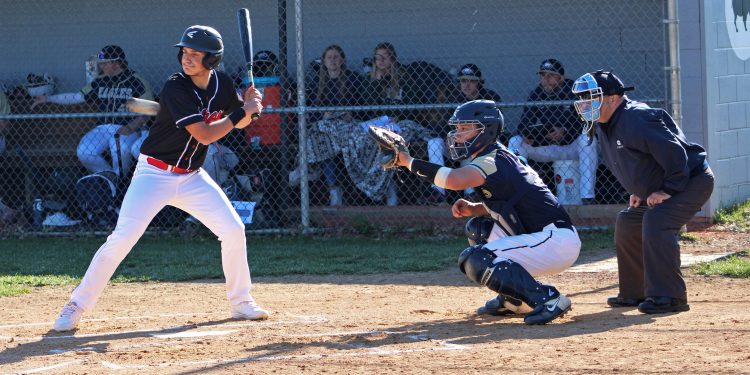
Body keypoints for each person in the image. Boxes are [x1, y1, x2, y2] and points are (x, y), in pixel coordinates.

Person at [51, 25, 269, 332]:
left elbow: (241, 121)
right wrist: (241, 113)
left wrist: (251, 108)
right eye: (185, 52)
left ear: (212, 59)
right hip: (153, 174)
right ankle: (76, 304)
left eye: (196, 53)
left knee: (233, 229)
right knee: (122, 239)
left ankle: (241, 301)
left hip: (192, 176)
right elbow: (206, 135)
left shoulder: (222, 84)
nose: (187, 58)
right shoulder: (175, 87)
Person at [393, 100, 581, 325]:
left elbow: (453, 180)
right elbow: (512, 202)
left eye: (466, 128)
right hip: (542, 236)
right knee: (479, 228)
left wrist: (409, 162)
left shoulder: (494, 159)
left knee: (477, 258)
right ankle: (516, 301)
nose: (458, 134)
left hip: (555, 241)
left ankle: (549, 298)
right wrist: (476, 208)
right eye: (458, 128)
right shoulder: (496, 156)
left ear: (486, 131)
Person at [572, 70, 714, 314]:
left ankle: (669, 297)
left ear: (614, 98)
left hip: (690, 181)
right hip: (665, 184)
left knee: (657, 221)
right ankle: (634, 293)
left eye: (591, 97)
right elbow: (636, 160)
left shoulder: (636, 118)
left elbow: (675, 154)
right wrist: (642, 190)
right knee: (628, 222)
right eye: (582, 98)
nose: (585, 103)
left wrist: (668, 189)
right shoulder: (607, 123)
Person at [32, 45, 154, 178]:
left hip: (127, 128)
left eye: (105, 63)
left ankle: (120, 183)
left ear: (117, 63)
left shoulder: (136, 81)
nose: (101, 66)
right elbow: (77, 97)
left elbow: (149, 110)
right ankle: (109, 179)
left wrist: (130, 127)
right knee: (84, 152)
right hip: (102, 129)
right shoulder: (100, 81)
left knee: (120, 148)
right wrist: (48, 98)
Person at [508, 59, 598, 204]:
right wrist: (526, 134)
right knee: (515, 141)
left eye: (551, 75)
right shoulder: (536, 94)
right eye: (543, 75)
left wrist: (565, 131)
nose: (546, 79)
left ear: (561, 78)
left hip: (572, 145)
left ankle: (587, 196)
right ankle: (519, 194)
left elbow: (588, 122)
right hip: (549, 146)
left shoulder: (576, 91)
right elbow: (523, 123)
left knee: (588, 138)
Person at [306, 45, 363, 206]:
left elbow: (362, 105)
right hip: (327, 129)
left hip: (347, 126)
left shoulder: (353, 79)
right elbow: (310, 111)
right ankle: (333, 189)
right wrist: (323, 115)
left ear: (342, 60)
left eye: (336, 57)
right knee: (322, 142)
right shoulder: (316, 82)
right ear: (323, 61)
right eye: (329, 57)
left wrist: (352, 115)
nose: (333, 60)